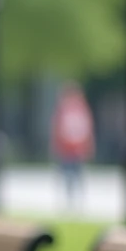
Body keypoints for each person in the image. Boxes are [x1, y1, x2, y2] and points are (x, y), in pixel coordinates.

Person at [50, 82, 95, 210]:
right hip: (67, 149)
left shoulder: (79, 109)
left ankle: (75, 199)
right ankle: (70, 199)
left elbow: (87, 130)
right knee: (68, 175)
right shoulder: (66, 110)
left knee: (76, 174)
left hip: (76, 149)